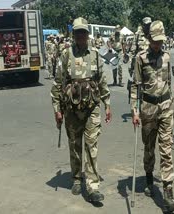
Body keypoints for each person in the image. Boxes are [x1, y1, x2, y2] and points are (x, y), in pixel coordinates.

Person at [50, 17, 111, 202]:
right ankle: (77, 177)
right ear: (74, 34)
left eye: (83, 32)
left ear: (87, 34)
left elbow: (102, 81)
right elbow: (58, 83)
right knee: (75, 145)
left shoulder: (96, 54)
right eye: (78, 32)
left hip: (92, 107)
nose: (81, 35)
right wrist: (57, 109)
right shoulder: (66, 55)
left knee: (91, 146)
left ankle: (92, 187)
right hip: (72, 109)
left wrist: (107, 104)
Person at [131, 20, 174, 212]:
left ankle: (168, 193)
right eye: (155, 41)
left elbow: (169, 80)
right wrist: (135, 111)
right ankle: (149, 177)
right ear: (149, 38)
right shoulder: (140, 58)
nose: (158, 45)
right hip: (148, 108)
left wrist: (173, 97)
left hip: (166, 107)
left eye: (160, 41)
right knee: (149, 147)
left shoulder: (167, 56)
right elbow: (135, 87)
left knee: (166, 148)